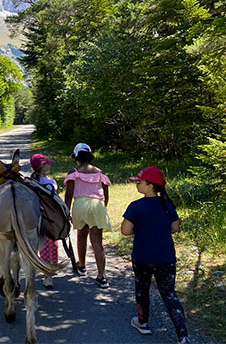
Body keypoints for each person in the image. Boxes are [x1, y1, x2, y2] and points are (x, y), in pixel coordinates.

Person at [122, 166, 190, 344]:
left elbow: (125, 231)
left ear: (150, 186)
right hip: (166, 257)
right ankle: (183, 335)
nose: (137, 184)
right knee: (169, 294)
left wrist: (142, 229)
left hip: (142, 257)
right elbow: (175, 227)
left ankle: (143, 322)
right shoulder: (167, 204)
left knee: (142, 288)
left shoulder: (136, 206)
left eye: (140, 182)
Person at [64, 143, 112, 288]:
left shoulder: (73, 173)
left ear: (76, 157)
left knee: (81, 235)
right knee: (97, 241)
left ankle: (82, 266)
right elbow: (106, 195)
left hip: (80, 205)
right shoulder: (100, 173)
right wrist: (102, 208)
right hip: (97, 205)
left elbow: (69, 195)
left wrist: (67, 211)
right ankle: (102, 276)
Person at [30, 153, 59, 289]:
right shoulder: (50, 183)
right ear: (43, 167)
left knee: (42, 246)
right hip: (50, 218)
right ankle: (50, 271)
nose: (50, 165)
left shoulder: (30, 183)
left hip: (35, 218)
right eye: (48, 163)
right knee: (52, 244)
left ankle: (46, 271)